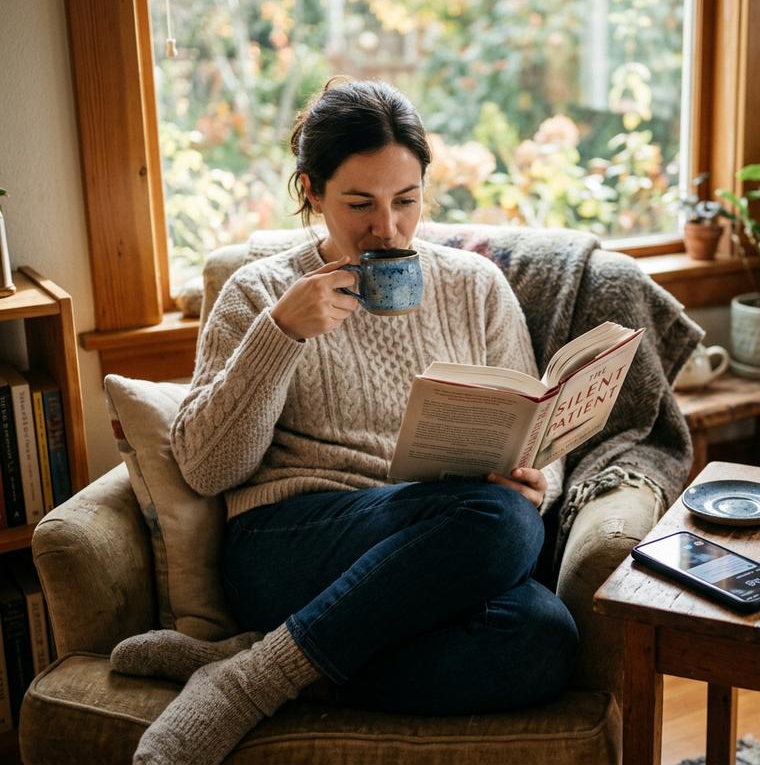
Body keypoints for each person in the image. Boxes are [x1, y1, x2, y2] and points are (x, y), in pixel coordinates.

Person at [112, 78, 578, 765]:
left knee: (543, 641)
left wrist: (542, 476)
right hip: (294, 539)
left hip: (431, 540)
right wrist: (282, 335)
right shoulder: (260, 292)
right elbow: (209, 468)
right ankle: (249, 688)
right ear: (312, 190)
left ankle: (260, 660)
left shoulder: (475, 286)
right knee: (498, 523)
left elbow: (535, 427)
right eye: (359, 203)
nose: (386, 228)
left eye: (406, 200)